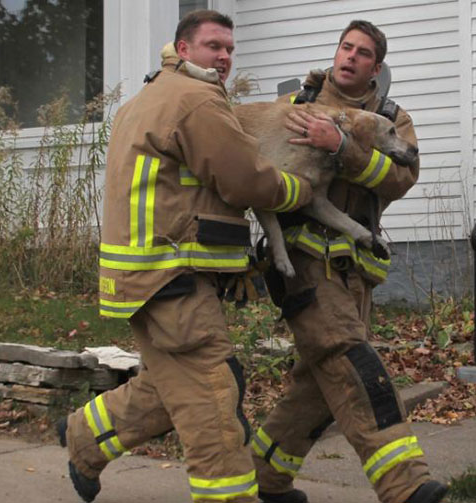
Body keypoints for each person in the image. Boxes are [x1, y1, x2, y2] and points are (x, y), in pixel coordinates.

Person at [57, 10, 316, 503]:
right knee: (212, 402)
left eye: (229, 49)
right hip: (170, 276)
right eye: (213, 46)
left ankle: (84, 437)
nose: (224, 57)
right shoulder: (196, 100)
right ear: (182, 49)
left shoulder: (150, 95)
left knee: (172, 385)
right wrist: (299, 190)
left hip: (145, 277)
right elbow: (246, 179)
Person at [251, 20, 448, 503]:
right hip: (303, 266)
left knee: (317, 387)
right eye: (345, 47)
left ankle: (263, 478)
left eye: (362, 53)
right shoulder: (297, 107)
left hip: (357, 270)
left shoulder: (391, 117)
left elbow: (401, 178)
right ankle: (406, 485)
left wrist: (343, 148)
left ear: (375, 68)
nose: (349, 57)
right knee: (351, 363)